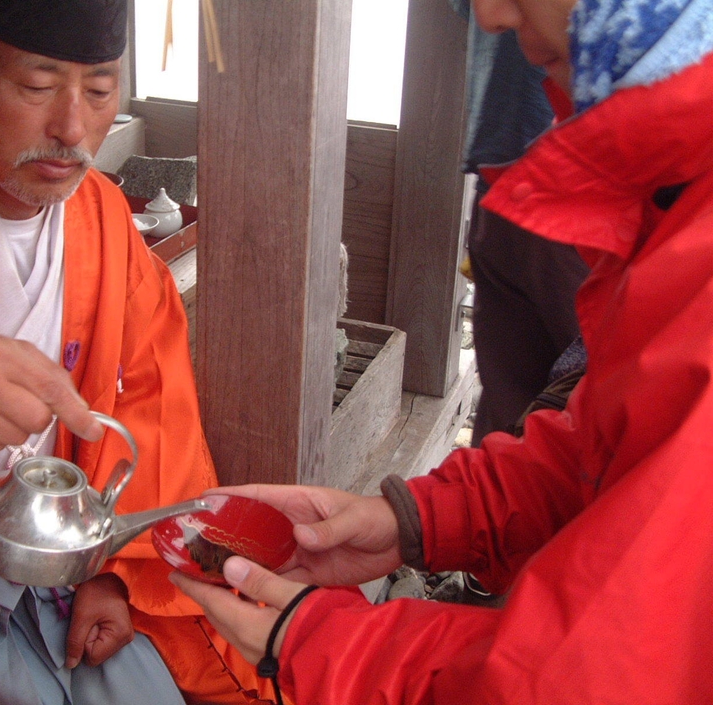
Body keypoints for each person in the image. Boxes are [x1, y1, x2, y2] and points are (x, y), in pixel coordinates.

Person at [172, 0, 713, 702]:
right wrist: (416, 521)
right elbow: (609, 451)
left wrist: (318, 641)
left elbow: (597, 674)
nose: (487, 16)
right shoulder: (673, 190)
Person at [0, 1, 273, 703]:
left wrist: (112, 568)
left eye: (98, 91)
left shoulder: (102, 216)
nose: (71, 128)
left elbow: (156, 406)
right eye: (36, 87)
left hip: (72, 576)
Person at [449, 0, 590, 446]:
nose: (488, 18)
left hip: (564, 196)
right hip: (512, 177)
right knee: (514, 408)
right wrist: (424, 511)